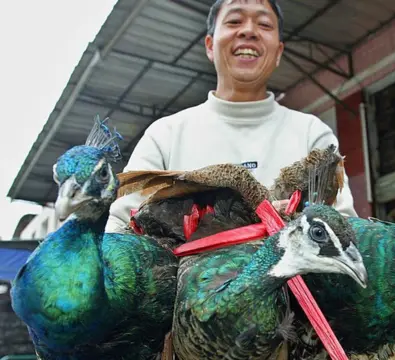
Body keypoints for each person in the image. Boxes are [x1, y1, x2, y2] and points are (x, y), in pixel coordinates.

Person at [105, 0, 357, 232]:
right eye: (234, 21)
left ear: (279, 52)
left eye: (264, 24)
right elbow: (120, 230)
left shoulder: (312, 134)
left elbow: (345, 229)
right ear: (209, 46)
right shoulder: (165, 135)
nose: (249, 31)